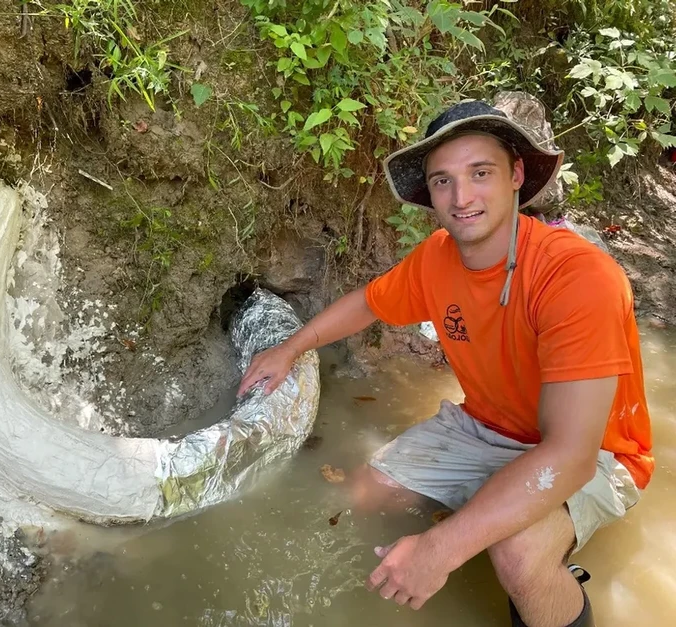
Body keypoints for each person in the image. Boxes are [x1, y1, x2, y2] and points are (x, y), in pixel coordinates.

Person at [237, 100, 654, 627]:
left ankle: (548, 570)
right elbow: (369, 302)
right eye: (442, 181)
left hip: (598, 451)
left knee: (518, 554)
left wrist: (440, 549)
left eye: (480, 173)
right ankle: (490, 520)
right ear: (429, 194)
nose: (462, 197)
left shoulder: (577, 277)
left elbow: (570, 454)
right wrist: (290, 347)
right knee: (367, 493)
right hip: (484, 426)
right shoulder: (436, 257)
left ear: (516, 175)